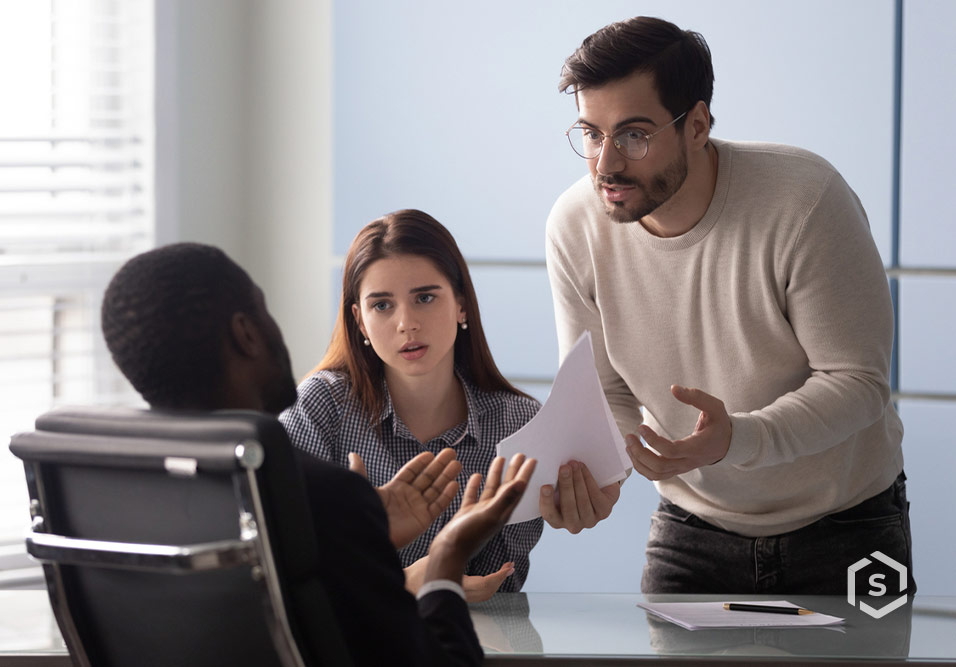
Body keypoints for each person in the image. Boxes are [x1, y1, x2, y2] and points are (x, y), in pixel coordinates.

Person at [543, 16, 913, 594]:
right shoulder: (574, 225)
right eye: (591, 134)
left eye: (633, 135)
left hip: (850, 527)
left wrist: (736, 439)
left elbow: (858, 381)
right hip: (692, 530)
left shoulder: (806, 201)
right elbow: (604, 391)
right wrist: (604, 467)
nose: (606, 165)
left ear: (697, 125)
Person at [100, 241, 537, 665]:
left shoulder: (123, 495)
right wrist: (445, 556)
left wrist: (368, 542)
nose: (406, 323)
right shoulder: (313, 489)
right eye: (264, 308)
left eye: (424, 297)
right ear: (247, 333)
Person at [280, 209, 543, 601]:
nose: (407, 323)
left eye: (424, 297)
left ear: (461, 305)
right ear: (360, 322)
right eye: (382, 306)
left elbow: (501, 584)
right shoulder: (320, 406)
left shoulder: (519, 423)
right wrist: (409, 580)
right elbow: (280, 565)